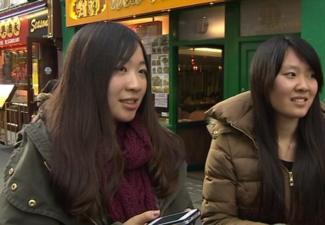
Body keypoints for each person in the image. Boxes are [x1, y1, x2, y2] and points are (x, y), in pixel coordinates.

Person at [0, 22, 192, 225]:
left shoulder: (163, 147)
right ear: (86, 76)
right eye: (121, 69)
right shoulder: (46, 153)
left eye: (142, 71)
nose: (136, 85)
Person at [201, 36, 325, 225]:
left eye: (312, 75)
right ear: (263, 81)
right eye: (291, 74)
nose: (304, 86)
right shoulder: (229, 141)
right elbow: (216, 218)